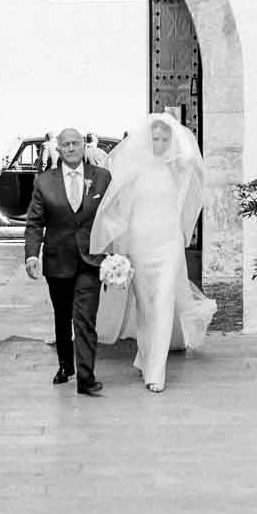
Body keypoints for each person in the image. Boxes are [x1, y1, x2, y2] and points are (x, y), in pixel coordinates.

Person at [90, 112, 216, 393]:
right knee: (145, 305)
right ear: (147, 140)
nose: (159, 143)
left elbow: (197, 171)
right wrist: (116, 250)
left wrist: (181, 145)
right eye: (155, 138)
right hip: (140, 243)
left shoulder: (178, 168)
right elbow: (117, 209)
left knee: (163, 301)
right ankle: (144, 355)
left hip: (168, 243)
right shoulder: (134, 170)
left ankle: (156, 372)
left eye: (164, 138)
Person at [22, 126, 111, 397]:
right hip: (57, 260)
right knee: (63, 317)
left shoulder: (102, 178)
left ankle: (86, 378)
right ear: (57, 150)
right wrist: (30, 254)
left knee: (84, 318)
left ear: (84, 147)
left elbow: (113, 216)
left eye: (76, 143)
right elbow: (35, 222)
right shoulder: (44, 182)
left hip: (90, 260)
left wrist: (116, 253)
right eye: (66, 145)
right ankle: (65, 366)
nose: (71, 148)